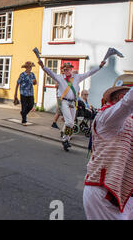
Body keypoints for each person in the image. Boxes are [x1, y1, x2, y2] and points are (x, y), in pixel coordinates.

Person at [83, 77, 133, 220]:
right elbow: (127, 104)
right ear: (121, 96)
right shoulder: (106, 116)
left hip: (123, 192)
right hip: (103, 191)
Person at [38, 60, 106, 151]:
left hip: (73, 103)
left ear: (71, 69)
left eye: (69, 69)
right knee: (69, 122)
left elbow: (88, 73)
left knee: (71, 123)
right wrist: (43, 66)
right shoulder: (60, 78)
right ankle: (65, 139)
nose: (67, 71)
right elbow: (50, 73)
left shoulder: (77, 77)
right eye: (65, 69)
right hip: (64, 102)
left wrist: (99, 67)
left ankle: (66, 139)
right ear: (63, 70)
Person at [14, 61, 37, 126]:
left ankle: (23, 113)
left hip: (30, 93)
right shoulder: (22, 75)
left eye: (31, 67)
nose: (30, 68)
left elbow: (35, 83)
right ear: (26, 67)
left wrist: (35, 82)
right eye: (29, 67)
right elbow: (17, 84)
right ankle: (24, 121)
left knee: (31, 105)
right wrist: (15, 94)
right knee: (24, 107)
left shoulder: (32, 74)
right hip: (23, 93)